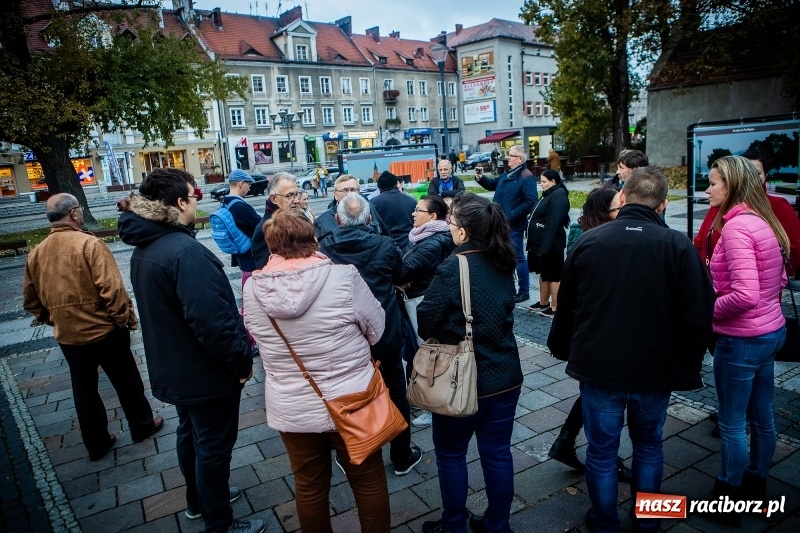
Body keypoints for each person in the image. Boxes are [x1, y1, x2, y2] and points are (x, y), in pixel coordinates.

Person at [548, 167, 714, 533]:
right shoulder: (677, 246)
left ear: (622, 197)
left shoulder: (589, 243)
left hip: (599, 367)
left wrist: (561, 350)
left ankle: (605, 521)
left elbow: (567, 307)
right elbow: (699, 312)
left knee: (602, 451)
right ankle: (649, 520)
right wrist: (689, 360)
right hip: (655, 370)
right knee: (650, 446)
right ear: (663, 204)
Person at [118, 169, 264, 533]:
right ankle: (219, 523)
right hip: (204, 373)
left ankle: (199, 499)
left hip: (178, 369)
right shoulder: (184, 251)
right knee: (213, 446)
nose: (197, 201)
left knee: (191, 434)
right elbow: (212, 323)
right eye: (193, 196)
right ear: (180, 203)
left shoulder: (148, 246)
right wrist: (240, 362)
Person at [243, 210, 390, 533]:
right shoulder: (344, 277)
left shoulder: (253, 290)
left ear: (271, 246)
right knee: (367, 479)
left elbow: (256, 336)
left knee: (309, 484)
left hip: (292, 405)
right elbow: (377, 329)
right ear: (312, 239)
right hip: (353, 398)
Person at [22, 193, 163, 461]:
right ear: (74, 214)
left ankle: (96, 443)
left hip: (68, 336)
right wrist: (122, 319)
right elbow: (112, 290)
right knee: (127, 380)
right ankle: (142, 425)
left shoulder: (36, 253)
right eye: (79, 210)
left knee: (84, 389)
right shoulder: (90, 245)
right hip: (104, 331)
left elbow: (31, 300)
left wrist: (54, 318)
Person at [417, 193, 523, 533]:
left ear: (462, 232)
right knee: (497, 453)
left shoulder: (453, 266)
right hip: (505, 375)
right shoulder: (503, 258)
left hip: (460, 379)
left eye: (450, 223)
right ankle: (497, 524)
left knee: (450, 455)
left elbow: (425, 322)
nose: (448, 228)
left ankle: (455, 526)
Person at [705, 156, 789, 526]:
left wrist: (705, 312)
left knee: (733, 422)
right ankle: (756, 483)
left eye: (713, 183)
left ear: (732, 186)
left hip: (741, 339)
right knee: (762, 415)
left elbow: (744, 295)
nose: (707, 190)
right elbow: (780, 282)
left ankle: (729, 494)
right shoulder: (760, 221)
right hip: (769, 332)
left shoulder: (737, 229)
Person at [320, 193, 422, 477]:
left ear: (338, 219)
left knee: (352, 394)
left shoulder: (324, 248)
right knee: (395, 390)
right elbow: (400, 275)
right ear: (368, 218)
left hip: (345, 336)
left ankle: (358, 450)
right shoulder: (385, 245)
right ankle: (401, 454)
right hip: (384, 331)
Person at [546, 185, 632, 482]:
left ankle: (565, 441)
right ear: (601, 212)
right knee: (605, 396)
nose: (621, 213)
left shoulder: (589, 233)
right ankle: (607, 456)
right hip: (596, 329)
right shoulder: (592, 240)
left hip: (591, 329)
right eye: (616, 208)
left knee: (595, 391)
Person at [396, 195, 456, 428]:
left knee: (429, 354)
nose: (413, 213)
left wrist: (401, 279)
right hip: (417, 299)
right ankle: (425, 397)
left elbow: (403, 269)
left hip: (422, 301)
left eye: (418, 210)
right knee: (418, 352)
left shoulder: (432, 242)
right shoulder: (426, 236)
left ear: (432, 216)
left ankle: (436, 405)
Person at [694, 149, 800, 278]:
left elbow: (793, 250)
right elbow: (700, 241)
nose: (748, 179)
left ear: (765, 176)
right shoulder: (718, 205)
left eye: (755, 173)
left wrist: (772, 280)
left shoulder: (777, 206)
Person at [475, 144, 539, 302]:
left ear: (519, 159)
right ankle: (506, 287)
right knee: (501, 256)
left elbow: (531, 201)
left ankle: (524, 291)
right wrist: (481, 178)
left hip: (513, 226)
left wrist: (511, 215)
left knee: (518, 258)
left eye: (510, 155)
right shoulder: (507, 174)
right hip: (499, 223)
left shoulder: (526, 176)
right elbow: (493, 184)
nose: (507, 158)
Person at [526, 170, 570, 317]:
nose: (541, 184)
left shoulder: (558, 196)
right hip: (540, 245)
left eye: (544, 181)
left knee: (553, 276)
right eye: (541, 181)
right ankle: (543, 302)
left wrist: (545, 248)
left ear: (553, 182)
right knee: (544, 275)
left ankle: (555, 306)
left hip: (551, 245)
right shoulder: (549, 194)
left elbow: (553, 223)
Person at [314, 174, 386, 247]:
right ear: (335, 195)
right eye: (344, 190)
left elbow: (385, 237)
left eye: (353, 190)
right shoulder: (322, 222)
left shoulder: (371, 209)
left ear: (359, 192)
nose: (349, 194)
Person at [250, 173, 299, 270]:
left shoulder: (292, 218)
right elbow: (265, 270)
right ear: (273, 198)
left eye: (296, 194)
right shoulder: (266, 229)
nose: (296, 200)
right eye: (289, 196)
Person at [221, 169, 261, 286]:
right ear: (241, 183)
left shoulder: (224, 202)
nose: (249, 188)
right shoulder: (241, 206)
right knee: (252, 289)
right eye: (248, 184)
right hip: (250, 255)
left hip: (239, 251)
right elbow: (261, 226)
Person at [370, 170, 418, 252]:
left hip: (385, 247)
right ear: (396, 184)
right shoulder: (411, 201)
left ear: (379, 187)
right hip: (409, 244)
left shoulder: (373, 203)